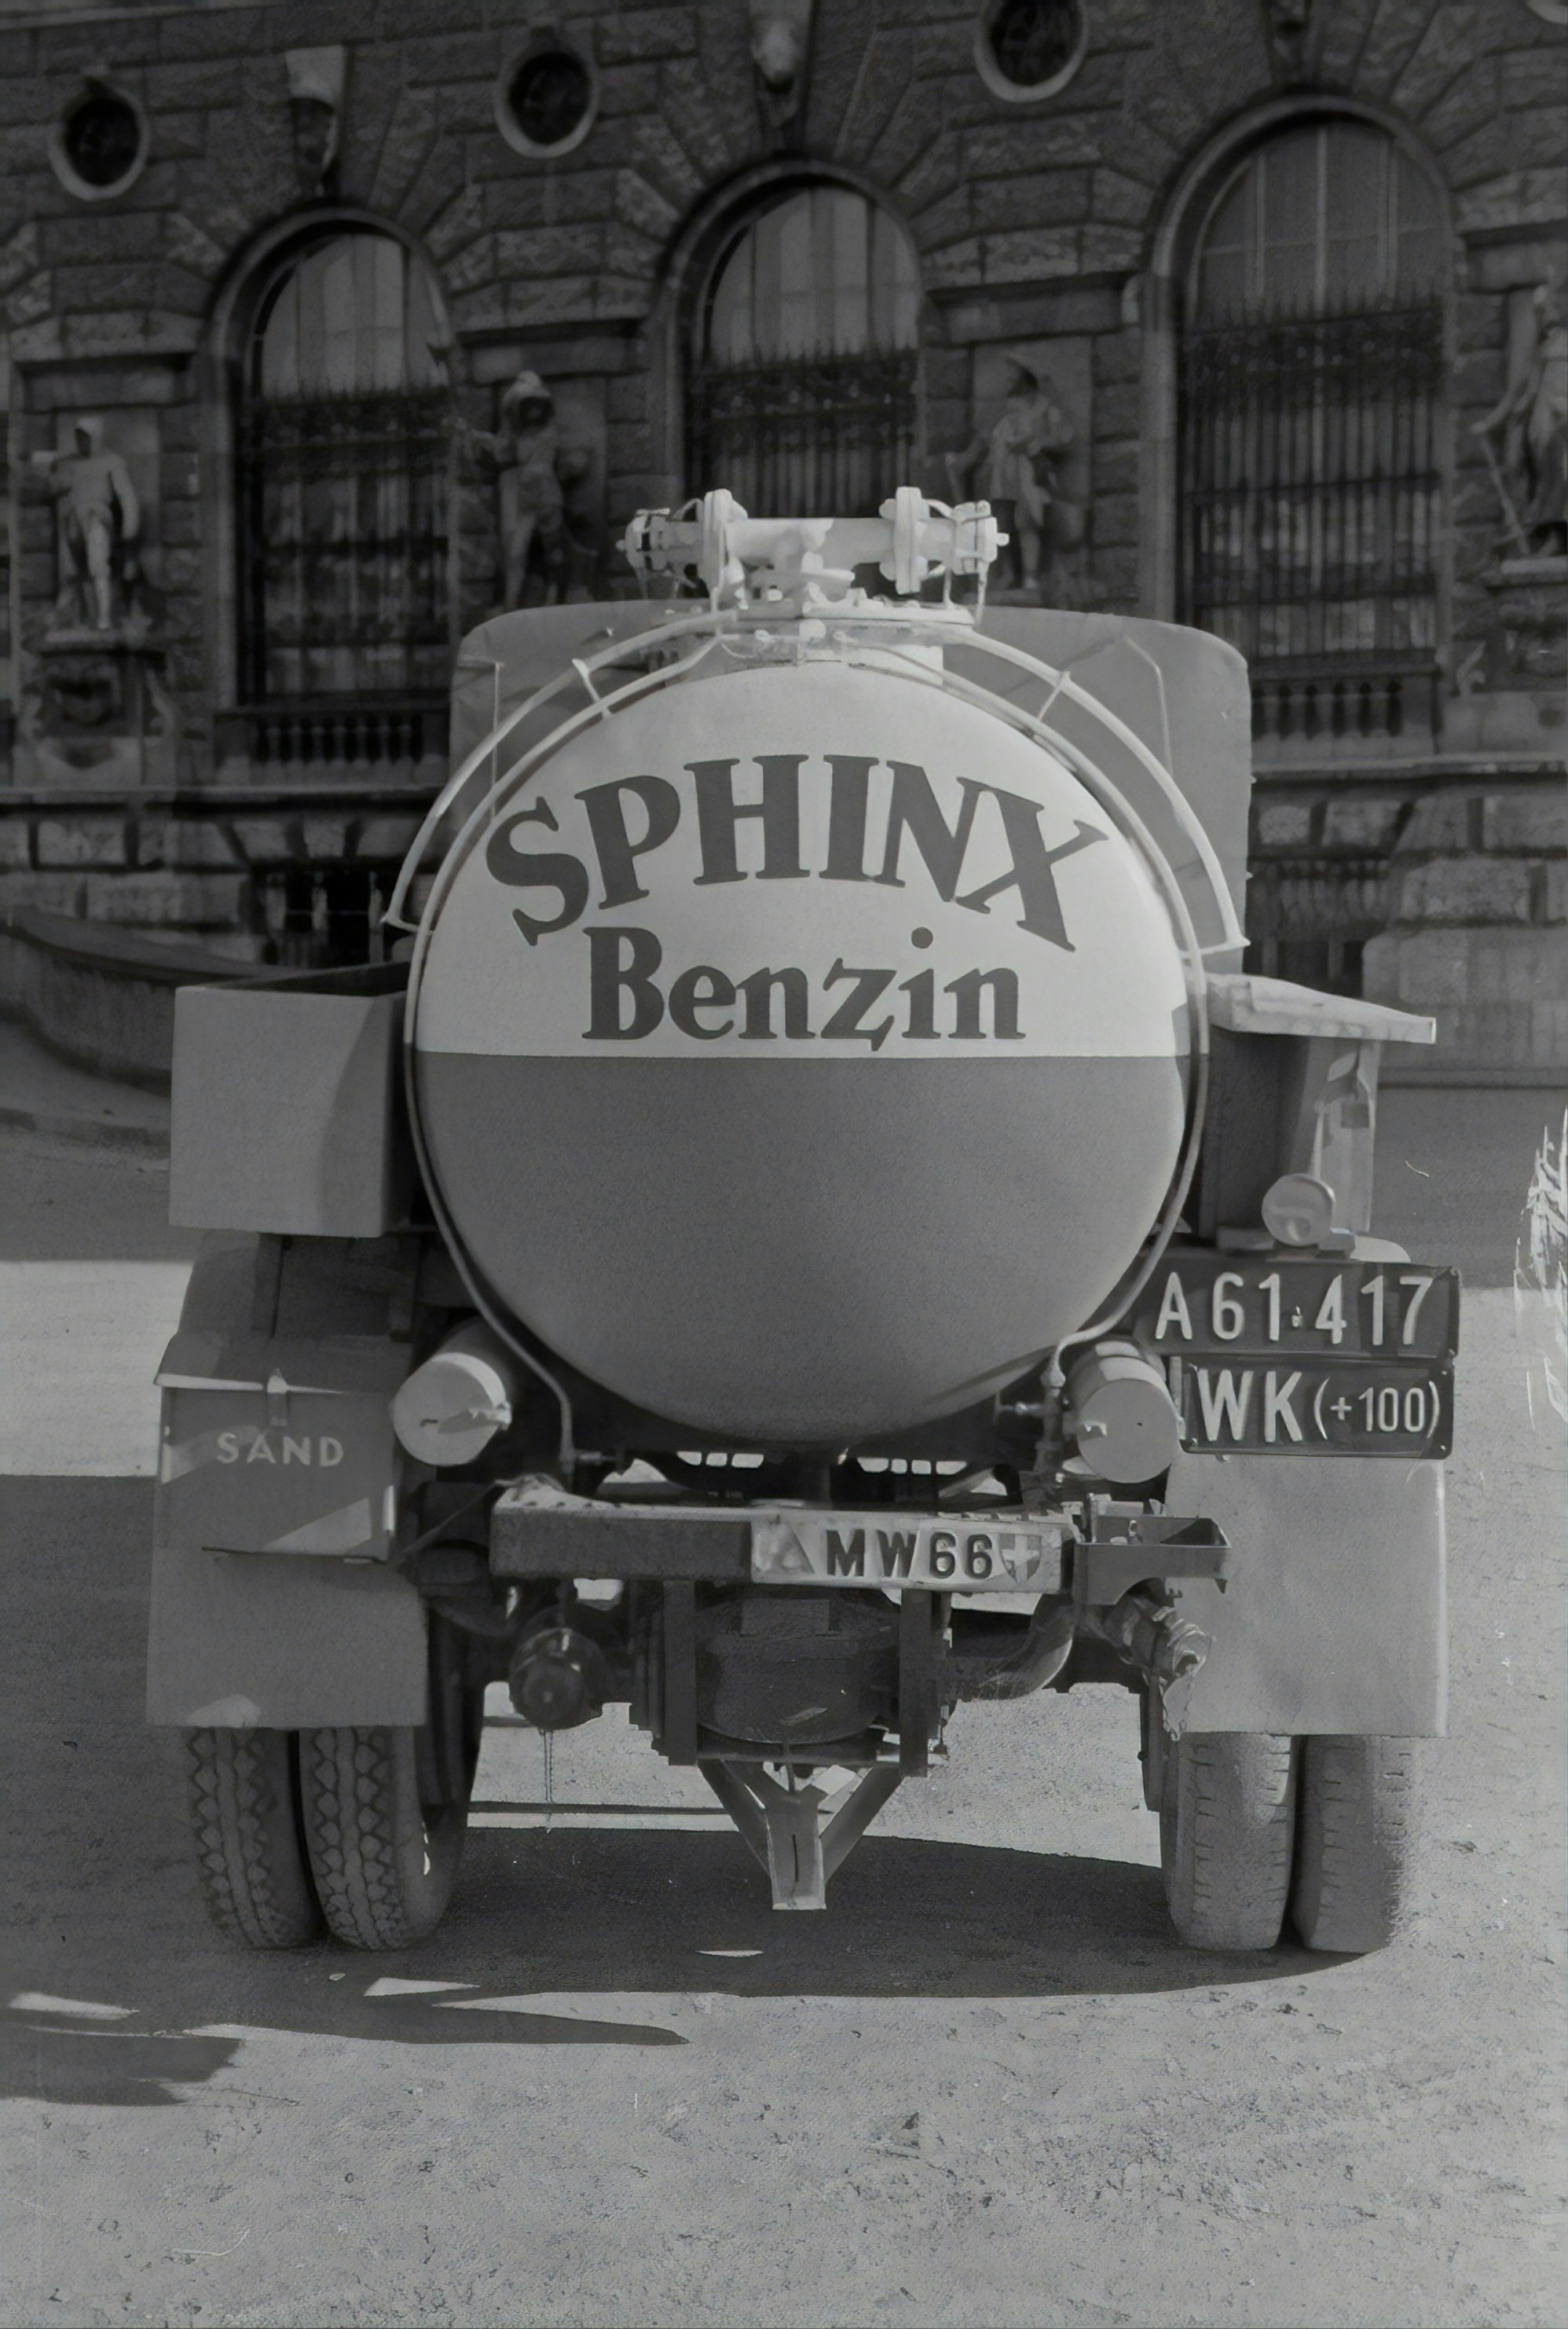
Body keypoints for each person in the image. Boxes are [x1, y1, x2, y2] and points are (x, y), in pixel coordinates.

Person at [946, 355, 1075, 596]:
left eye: (1012, 374)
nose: (1007, 380)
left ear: (1025, 377)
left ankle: (1030, 577)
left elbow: (1064, 439)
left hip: (1029, 476)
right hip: (1003, 479)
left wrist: (1036, 443)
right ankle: (1008, 574)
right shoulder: (1003, 411)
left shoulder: (1046, 409)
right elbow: (984, 441)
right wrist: (962, 460)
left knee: (1028, 525)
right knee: (1002, 526)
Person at [467, 371, 588, 607]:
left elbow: (576, 458)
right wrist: (478, 437)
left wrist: (571, 464)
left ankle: (556, 595)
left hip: (548, 496)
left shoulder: (551, 430)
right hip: (525, 499)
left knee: (554, 550)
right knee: (516, 552)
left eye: (537, 404)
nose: (534, 409)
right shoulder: (518, 434)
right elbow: (502, 451)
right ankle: (512, 602)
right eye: (528, 404)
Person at [34, 417, 141, 631]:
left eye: (86, 437)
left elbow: (127, 496)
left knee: (98, 566)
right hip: (73, 522)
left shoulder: (112, 462)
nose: (82, 441)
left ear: (96, 438)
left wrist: (130, 526)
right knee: (72, 572)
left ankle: (104, 618)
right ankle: (78, 618)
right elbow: (51, 489)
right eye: (79, 437)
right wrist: (49, 473)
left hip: (96, 519)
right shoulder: (69, 464)